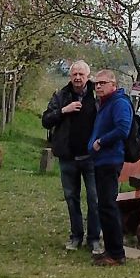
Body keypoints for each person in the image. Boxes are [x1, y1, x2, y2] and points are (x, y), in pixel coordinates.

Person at [42, 60, 102, 254]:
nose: (77, 78)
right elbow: (45, 120)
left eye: (81, 75)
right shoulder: (61, 96)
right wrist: (63, 111)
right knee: (71, 198)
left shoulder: (97, 95)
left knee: (94, 199)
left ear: (88, 76)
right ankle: (76, 236)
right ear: (70, 77)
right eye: (74, 74)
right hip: (68, 157)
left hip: (92, 157)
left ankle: (94, 238)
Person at [89, 69, 134, 267]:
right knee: (103, 206)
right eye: (96, 83)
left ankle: (116, 253)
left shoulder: (119, 103)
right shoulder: (106, 103)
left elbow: (122, 129)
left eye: (102, 83)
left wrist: (100, 141)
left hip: (110, 160)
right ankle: (110, 250)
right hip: (101, 160)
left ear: (113, 85)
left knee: (108, 206)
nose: (98, 86)